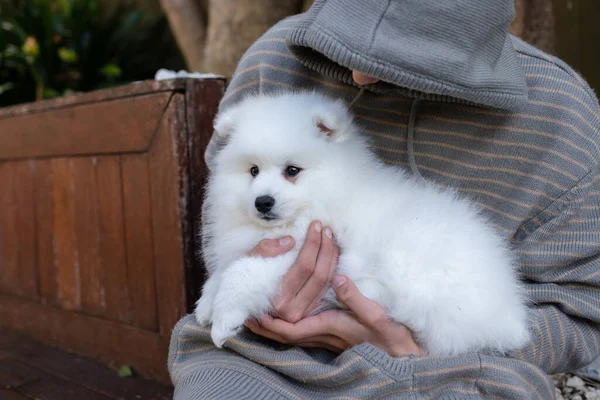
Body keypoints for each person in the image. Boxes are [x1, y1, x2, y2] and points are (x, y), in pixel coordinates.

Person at [168, 0, 600, 398]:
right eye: (345, 42)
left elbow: (582, 309)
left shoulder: (562, 114)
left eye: (397, 58)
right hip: (264, 354)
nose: (357, 77)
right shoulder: (276, 57)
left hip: (455, 371)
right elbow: (229, 216)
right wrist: (257, 287)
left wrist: (402, 345)